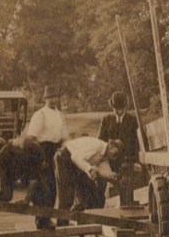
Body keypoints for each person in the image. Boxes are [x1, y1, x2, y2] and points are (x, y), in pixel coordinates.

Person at [24, 85, 66, 228]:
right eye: (49, 98)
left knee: (54, 187)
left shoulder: (59, 115)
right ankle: (41, 220)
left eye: (54, 97)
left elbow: (63, 136)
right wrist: (40, 158)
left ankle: (47, 219)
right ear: (45, 99)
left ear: (58, 98)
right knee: (43, 187)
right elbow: (31, 138)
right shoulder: (40, 114)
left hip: (55, 150)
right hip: (42, 151)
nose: (52, 100)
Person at [55, 136, 122, 217]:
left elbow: (106, 173)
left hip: (74, 163)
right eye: (115, 153)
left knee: (85, 196)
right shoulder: (97, 146)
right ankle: (62, 224)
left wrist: (114, 178)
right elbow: (75, 157)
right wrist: (89, 169)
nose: (115, 157)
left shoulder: (104, 156)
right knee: (66, 195)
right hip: (65, 157)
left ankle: (79, 218)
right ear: (111, 145)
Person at [97, 91, 142, 205]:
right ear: (112, 107)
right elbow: (100, 142)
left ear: (125, 107)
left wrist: (136, 161)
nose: (118, 111)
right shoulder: (106, 120)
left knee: (126, 187)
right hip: (109, 161)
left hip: (126, 161)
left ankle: (127, 207)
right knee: (100, 185)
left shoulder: (132, 120)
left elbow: (136, 143)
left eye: (121, 108)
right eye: (116, 108)